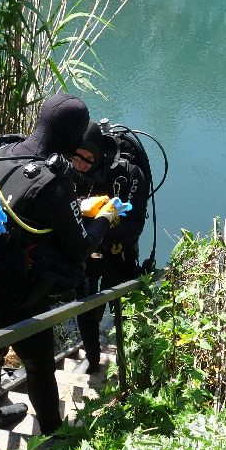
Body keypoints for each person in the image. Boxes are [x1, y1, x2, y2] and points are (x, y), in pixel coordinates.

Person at [0, 93, 121, 435]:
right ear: (73, 139)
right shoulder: (52, 183)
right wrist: (105, 216)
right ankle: (55, 435)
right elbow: (81, 247)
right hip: (22, 294)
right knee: (39, 364)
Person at [73, 121, 149, 372]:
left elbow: (135, 224)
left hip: (119, 251)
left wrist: (103, 223)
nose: (81, 163)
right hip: (86, 250)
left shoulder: (130, 173)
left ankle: (127, 363)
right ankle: (92, 358)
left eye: (87, 158)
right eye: (76, 156)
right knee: (85, 307)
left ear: (99, 156)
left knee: (121, 308)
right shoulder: (73, 171)